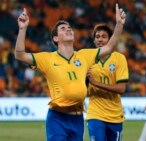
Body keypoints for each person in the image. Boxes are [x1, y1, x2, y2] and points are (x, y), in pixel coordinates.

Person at [15, 4, 126, 141]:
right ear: (56, 38)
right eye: (63, 28)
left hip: (77, 119)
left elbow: (109, 47)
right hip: (58, 118)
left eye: (69, 28)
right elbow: (19, 55)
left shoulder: (84, 56)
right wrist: (22, 29)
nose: (68, 29)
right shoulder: (47, 58)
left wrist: (119, 25)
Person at [85, 24, 129, 141]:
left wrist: (95, 82)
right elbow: (82, 88)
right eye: (97, 36)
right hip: (95, 113)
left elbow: (121, 88)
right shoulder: (87, 59)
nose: (100, 39)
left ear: (110, 40)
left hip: (115, 115)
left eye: (104, 36)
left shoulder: (119, 58)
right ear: (94, 40)